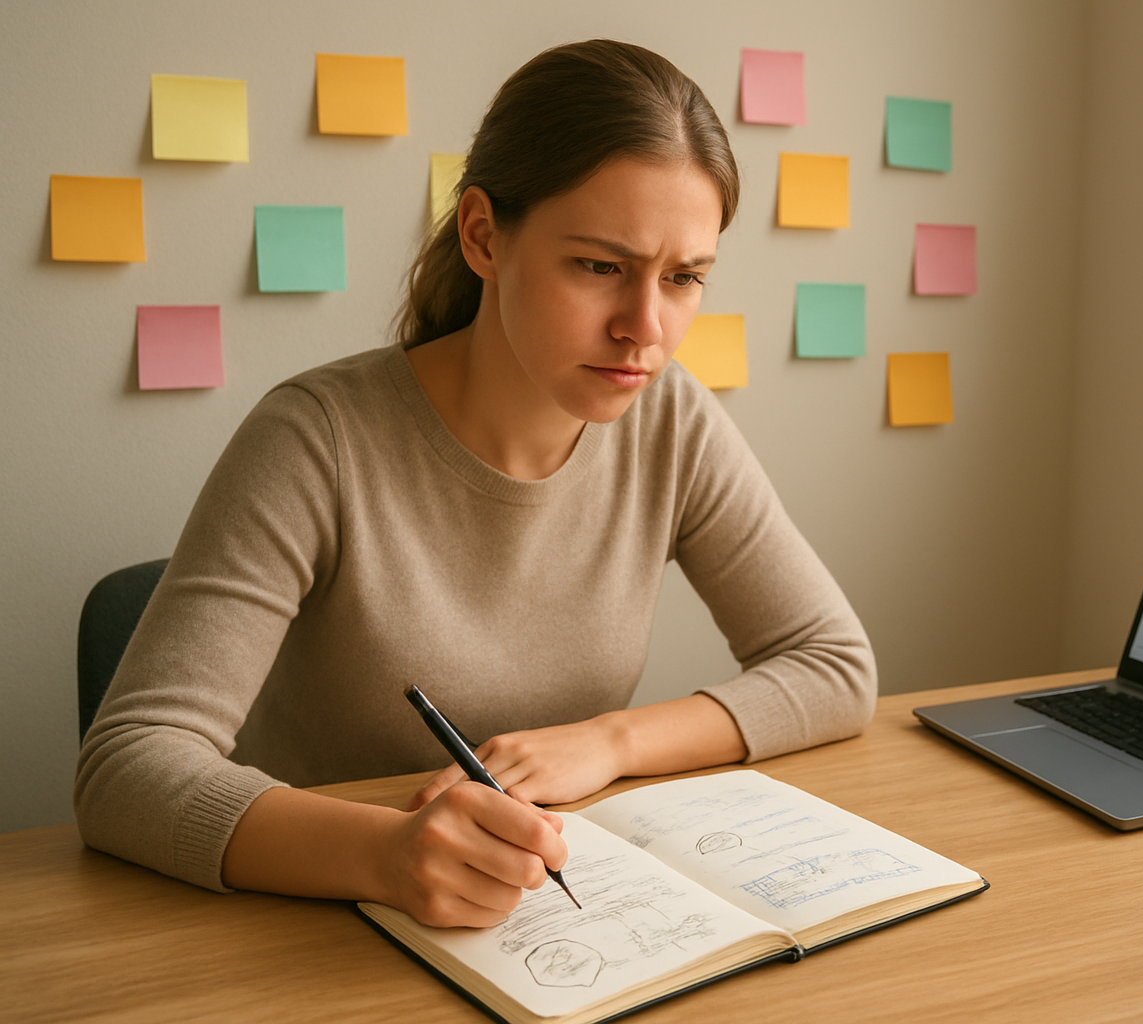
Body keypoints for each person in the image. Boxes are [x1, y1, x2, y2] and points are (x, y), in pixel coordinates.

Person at [75, 40, 876, 929]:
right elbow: (127, 766)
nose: (644, 329)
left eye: (684, 278)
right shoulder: (316, 437)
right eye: (601, 267)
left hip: (538, 921)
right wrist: (383, 853)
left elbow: (834, 668)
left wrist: (608, 741)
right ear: (484, 235)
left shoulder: (672, 420)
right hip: (313, 929)